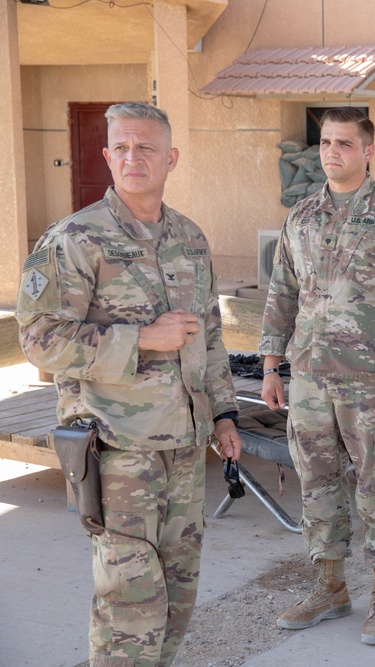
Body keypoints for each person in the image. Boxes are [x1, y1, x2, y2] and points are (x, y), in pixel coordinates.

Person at [16, 102, 242, 667]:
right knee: (129, 607)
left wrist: (224, 413)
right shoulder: (74, 238)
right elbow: (40, 340)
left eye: (145, 147)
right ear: (107, 156)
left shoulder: (189, 238)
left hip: (186, 450)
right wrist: (140, 338)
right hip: (118, 450)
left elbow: (208, 335)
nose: (132, 157)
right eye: (120, 147)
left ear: (171, 158)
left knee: (179, 598)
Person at [259, 106, 375, 646]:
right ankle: (329, 586)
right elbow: (282, 292)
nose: (332, 152)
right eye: (325, 143)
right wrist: (272, 363)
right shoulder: (302, 215)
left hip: (371, 383)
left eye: (344, 143)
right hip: (311, 377)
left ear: (368, 151)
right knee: (316, 484)